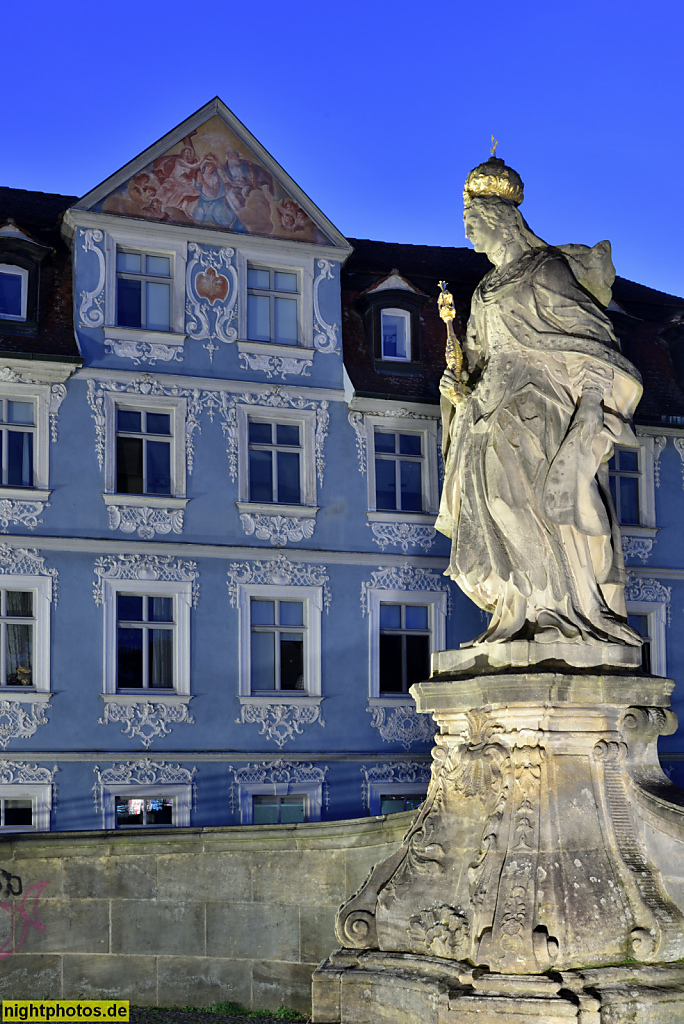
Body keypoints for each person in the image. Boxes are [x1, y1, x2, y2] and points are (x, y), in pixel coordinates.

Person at [435, 156, 642, 648]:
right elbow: (479, 357)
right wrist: (457, 385)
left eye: (471, 225)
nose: (467, 238)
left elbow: (594, 335)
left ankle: (558, 612)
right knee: (493, 514)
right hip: (487, 416)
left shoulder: (544, 271)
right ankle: (515, 612)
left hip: (536, 413)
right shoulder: (483, 291)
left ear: (498, 222)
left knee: (529, 508)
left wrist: (590, 405)